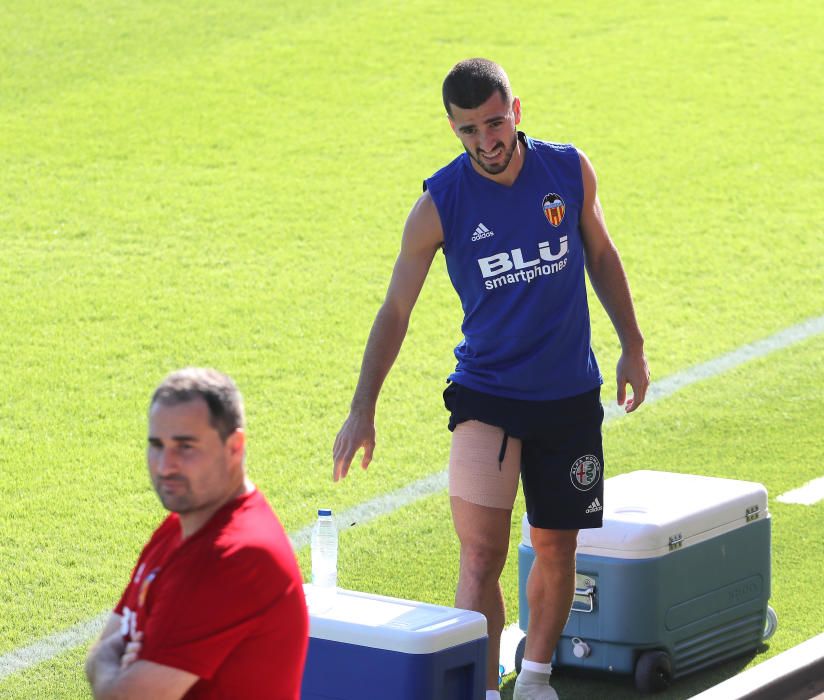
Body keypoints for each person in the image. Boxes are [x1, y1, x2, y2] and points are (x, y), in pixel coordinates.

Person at [332, 59, 649, 700]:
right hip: (487, 395)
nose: (487, 142)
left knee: (556, 548)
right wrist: (362, 406)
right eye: (469, 130)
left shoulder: (568, 170)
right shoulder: (437, 206)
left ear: (517, 111)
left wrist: (632, 347)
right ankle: (475, 688)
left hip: (568, 395)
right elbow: (396, 310)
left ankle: (534, 679)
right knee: (480, 557)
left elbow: (603, 256)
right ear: (452, 127)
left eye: (495, 123)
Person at [85, 368, 308, 700]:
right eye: (156, 445)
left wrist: (105, 659)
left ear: (235, 447)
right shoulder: (178, 527)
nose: (165, 465)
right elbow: (111, 645)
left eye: (185, 446)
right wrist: (115, 662)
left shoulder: (234, 558)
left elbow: (123, 693)